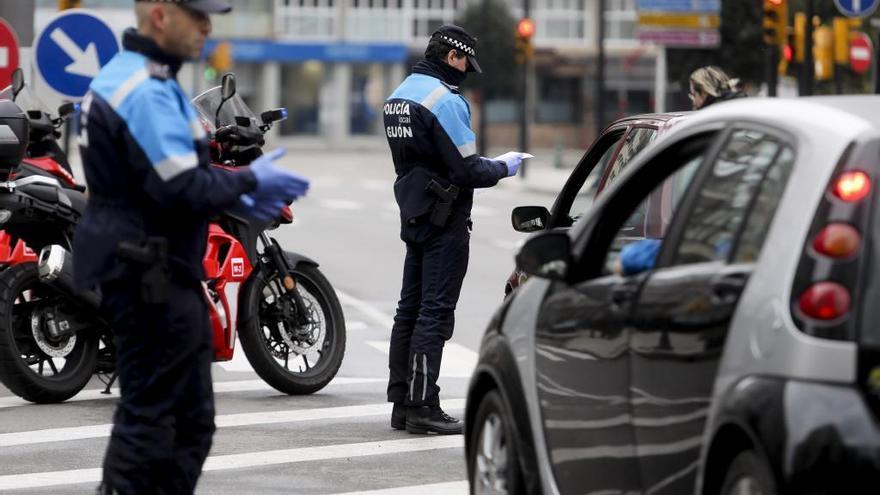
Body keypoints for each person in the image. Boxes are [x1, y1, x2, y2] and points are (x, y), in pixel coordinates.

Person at [74, 1, 309, 493]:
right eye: (197, 15)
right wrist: (247, 182)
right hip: (150, 273)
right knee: (160, 424)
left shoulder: (131, 76)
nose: (207, 26)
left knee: (177, 421)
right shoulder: (146, 88)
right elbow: (180, 186)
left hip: (145, 266)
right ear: (160, 15)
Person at [383, 25, 526, 435]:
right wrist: (504, 166)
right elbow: (467, 168)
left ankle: (402, 403)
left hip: (413, 212)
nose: (466, 72)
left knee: (407, 311)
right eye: (466, 63)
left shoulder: (399, 95)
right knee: (434, 313)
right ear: (453, 57)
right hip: (446, 219)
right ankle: (424, 404)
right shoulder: (444, 101)